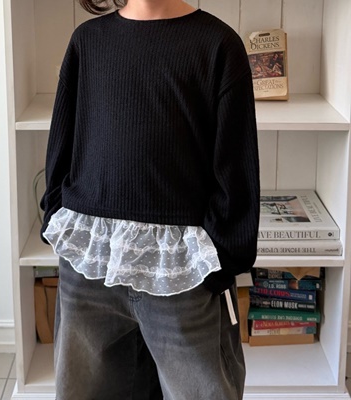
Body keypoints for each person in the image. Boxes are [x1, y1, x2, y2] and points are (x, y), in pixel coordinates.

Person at [40, 0, 260, 399]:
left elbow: (235, 166)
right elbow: (63, 142)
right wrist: (54, 213)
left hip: (181, 272)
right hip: (90, 266)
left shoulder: (218, 44)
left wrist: (222, 262)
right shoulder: (87, 41)